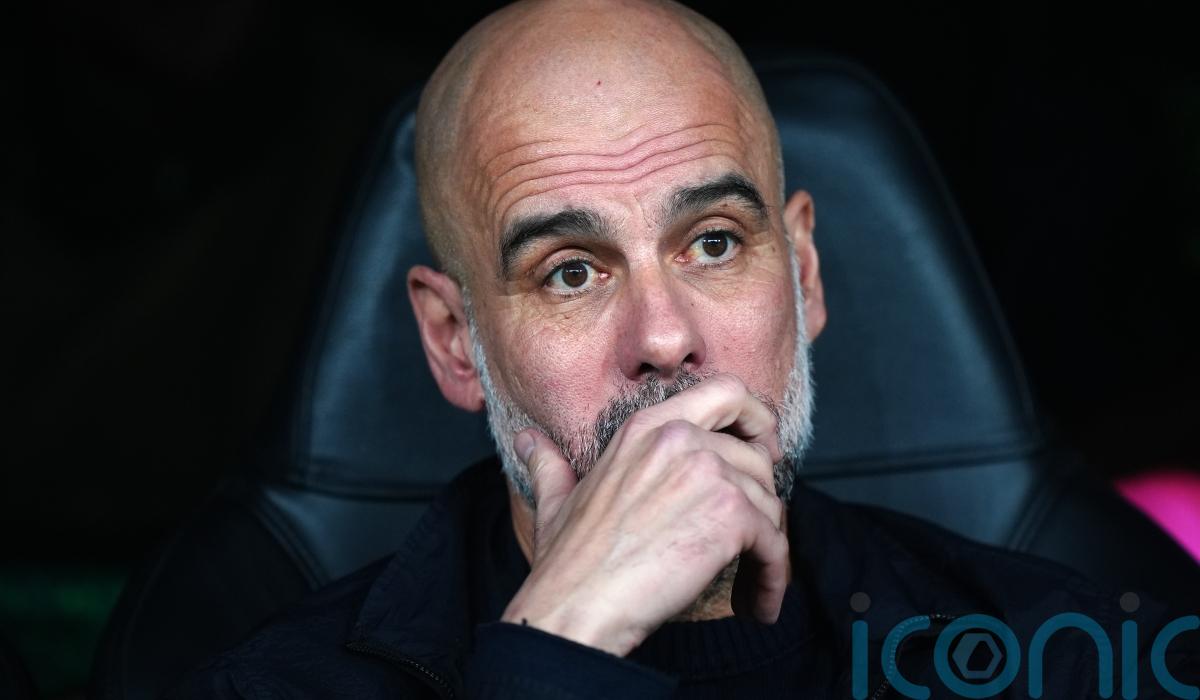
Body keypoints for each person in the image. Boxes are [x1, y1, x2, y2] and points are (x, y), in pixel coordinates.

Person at [167, 0, 1199, 697]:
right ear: (455, 343)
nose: (664, 340)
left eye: (713, 243)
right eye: (571, 271)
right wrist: (555, 650)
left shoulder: (1066, 659)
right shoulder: (276, 686)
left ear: (803, 275)